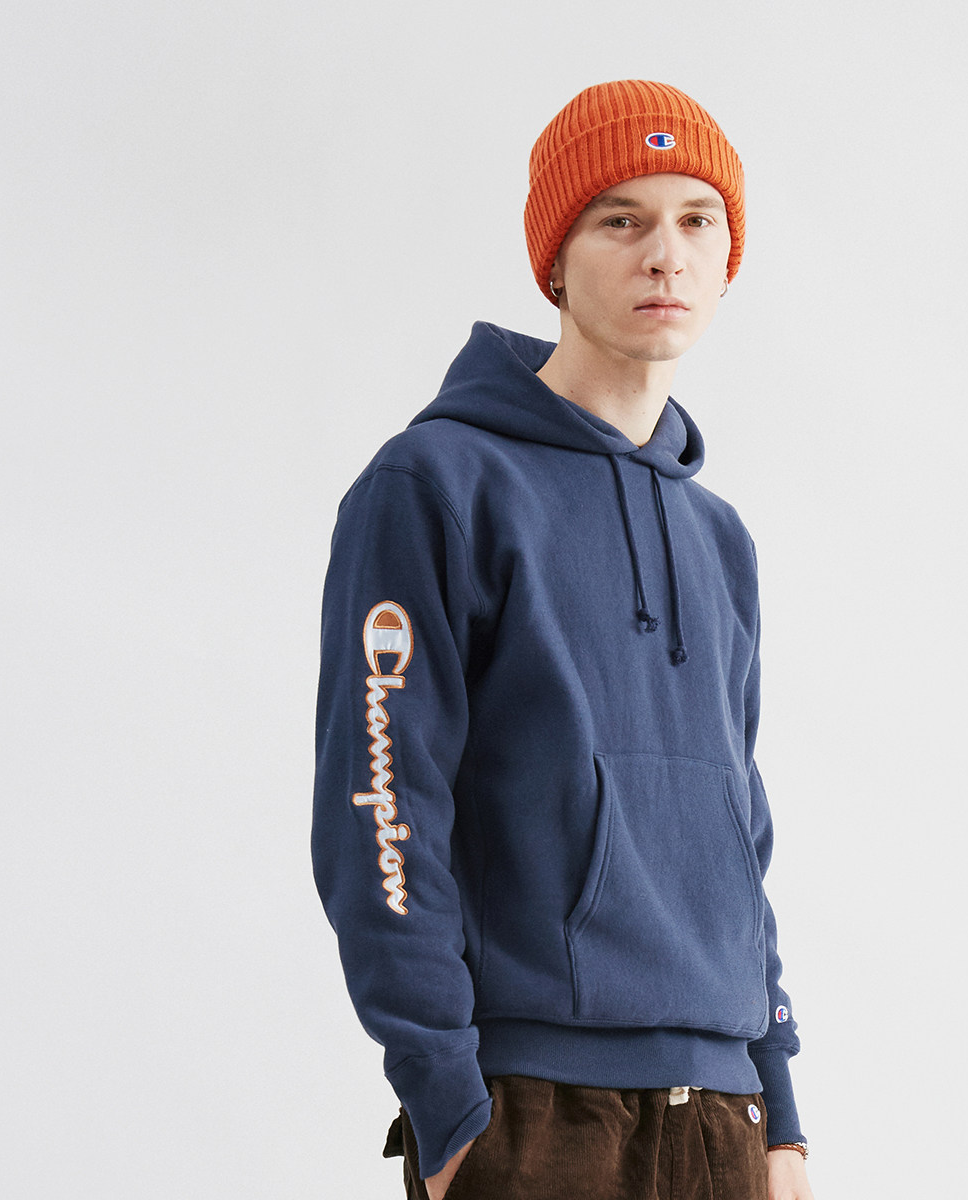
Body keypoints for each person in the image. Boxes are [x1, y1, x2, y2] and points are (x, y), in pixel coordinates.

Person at [312, 79, 815, 1200]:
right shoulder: (436, 485)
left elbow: (741, 838)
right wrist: (447, 1105)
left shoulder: (719, 539)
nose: (665, 255)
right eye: (621, 219)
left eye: (697, 220)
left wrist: (780, 1111)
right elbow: (382, 800)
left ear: (727, 257)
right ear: (555, 258)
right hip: (534, 1114)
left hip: (726, 1118)